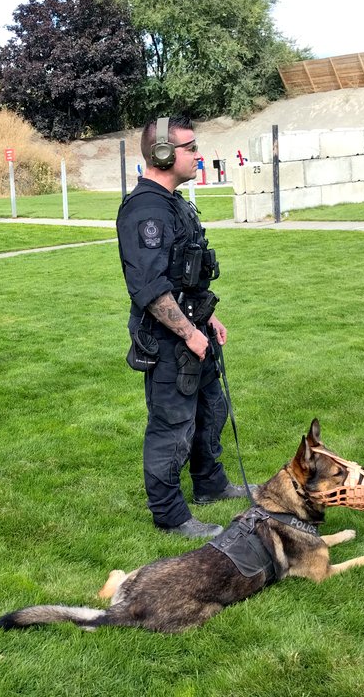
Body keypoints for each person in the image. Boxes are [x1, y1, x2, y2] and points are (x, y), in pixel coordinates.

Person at [115, 116, 248, 539]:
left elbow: (183, 276)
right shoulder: (146, 209)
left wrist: (207, 319)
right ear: (163, 154)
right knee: (172, 424)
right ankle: (170, 515)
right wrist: (189, 334)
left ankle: (210, 483)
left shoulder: (174, 202)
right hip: (171, 340)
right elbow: (150, 288)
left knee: (212, 410)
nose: (198, 155)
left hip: (195, 330)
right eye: (190, 147)